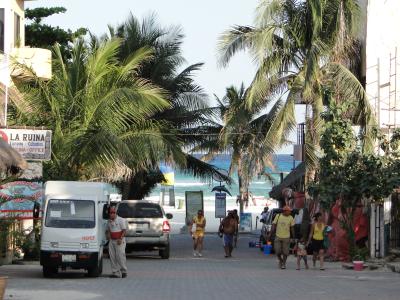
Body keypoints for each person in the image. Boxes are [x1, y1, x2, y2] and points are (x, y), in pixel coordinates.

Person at [106, 206, 127, 278]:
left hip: (119, 240)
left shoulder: (121, 220)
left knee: (120, 256)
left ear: (116, 213)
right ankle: (115, 272)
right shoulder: (109, 221)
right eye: (111, 213)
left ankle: (124, 271)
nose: (112, 214)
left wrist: (120, 238)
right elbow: (108, 230)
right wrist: (108, 235)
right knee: (112, 256)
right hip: (112, 240)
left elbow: (124, 230)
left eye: (113, 213)